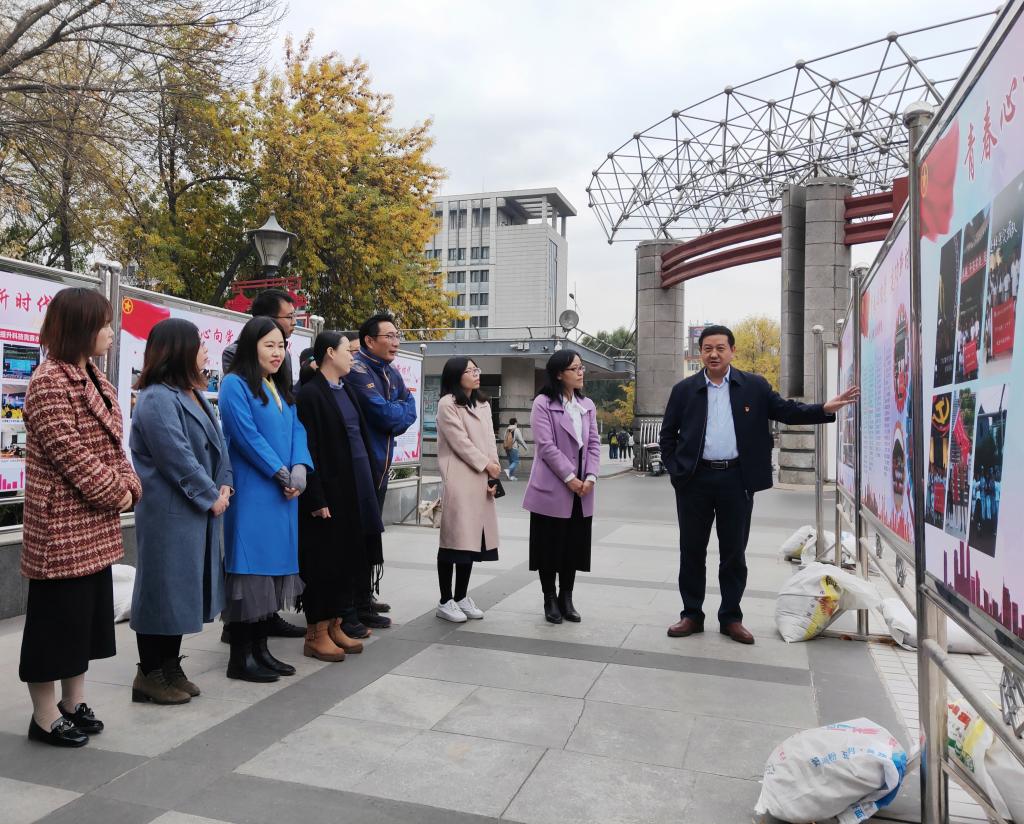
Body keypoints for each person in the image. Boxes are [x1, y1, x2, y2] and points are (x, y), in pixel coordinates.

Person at [660, 324, 859, 645]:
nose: (713, 354)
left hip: (736, 480)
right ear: (701, 353)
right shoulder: (684, 390)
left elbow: (787, 411)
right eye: (707, 349)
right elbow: (668, 435)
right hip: (695, 481)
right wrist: (677, 472)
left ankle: (731, 618)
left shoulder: (753, 386)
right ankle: (691, 615)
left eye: (720, 348)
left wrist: (823, 409)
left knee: (734, 553)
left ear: (732, 351)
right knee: (692, 550)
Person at [19, 289, 142, 747]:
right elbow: (71, 455)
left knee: (83, 624)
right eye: (103, 324)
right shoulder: (48, 381)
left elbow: (113, 447)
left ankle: (73, 702)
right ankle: (44, 715)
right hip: (62, 526)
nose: (110, 332)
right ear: (79, 328)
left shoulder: (94, 376)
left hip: (94, 522)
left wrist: (130, 486)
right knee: (54, 625)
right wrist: (118, 492)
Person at [129, 319, 233, 704]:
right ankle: (149, 673)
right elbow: (176, 456)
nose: (205, 351)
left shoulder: (193, 393)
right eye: (198, 344)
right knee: (162, 591)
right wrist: (210, 495)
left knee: (180, 592)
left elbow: (219, 446)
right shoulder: (156, 398)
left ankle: (170, 667)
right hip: (169, 512)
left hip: (194, 510)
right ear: (178, 350)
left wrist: (225, 482)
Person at [219, 317, 313, 682]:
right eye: (268, 345)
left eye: (281, 346)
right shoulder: (234, 383)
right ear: (250, 347)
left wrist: (300, 469)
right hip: (255, 493)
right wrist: (280, 472)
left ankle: (261, 651)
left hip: (283, 495)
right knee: (250, 574)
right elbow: (245, 436)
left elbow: (297, 430)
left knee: (270, 575)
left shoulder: (277, 386)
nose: (277, 352)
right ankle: (241, 657)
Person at [295, 331, 385, 659]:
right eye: (348, 351)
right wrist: (316, 497)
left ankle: (336, 625)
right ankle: (316, 633)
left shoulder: (345, 388)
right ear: (330, 353)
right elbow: (308, 449)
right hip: (326, 493)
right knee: (323, 564)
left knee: (345, 560)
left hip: (352, 490)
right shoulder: (310, 395)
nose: (352, 357)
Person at [344, 312, 418, 629]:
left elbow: (409, 407)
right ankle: (355, 604)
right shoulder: (357, 370)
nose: (395, 342)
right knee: (358, 538)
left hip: (380, 467)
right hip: (360, 469)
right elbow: (385, 415)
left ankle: (364, 597)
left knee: (371, 536)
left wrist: (395, 412)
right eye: (389, 336)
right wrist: (395, 413)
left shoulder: (389, 371)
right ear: (369, 341)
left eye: (397, 335)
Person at [523, 351, 601, 624]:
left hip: (582, 489)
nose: (580, 373)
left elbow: (593, 444)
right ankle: (550, 598)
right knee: (549, 547)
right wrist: (570, 478)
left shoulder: (587, 405)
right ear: (559, 374)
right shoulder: (543, 403)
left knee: (573, 547)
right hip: (553, 487)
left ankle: (567, 598)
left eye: (581, 368)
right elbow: (546, 446)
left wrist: (590, 476)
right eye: (574, 368)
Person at [434, 358, 500, 622]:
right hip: (460, 479)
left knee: (473, 542)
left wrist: (494, 469)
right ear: (456, 376)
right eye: (470, 371)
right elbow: (459, 442)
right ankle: (445, 600)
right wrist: (486, 464)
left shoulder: (482, 404)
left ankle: (461, 596)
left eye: (476, 370)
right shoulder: (447, 404)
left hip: (482, 477)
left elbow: (490, 439)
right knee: (454, 540)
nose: (476, 374)